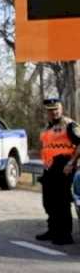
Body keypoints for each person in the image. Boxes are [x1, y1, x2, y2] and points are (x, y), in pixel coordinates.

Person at [37, 98, 80, 245]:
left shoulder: (69, 125)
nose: (54, 112)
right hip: (50, 168)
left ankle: (65, 235)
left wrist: (71, 163)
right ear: (47, 112)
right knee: (49, 202)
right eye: (51, 110)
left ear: (61, 109)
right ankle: (53, 230)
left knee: (62, 202)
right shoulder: (46, 128)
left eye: (56, 109)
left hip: (64, 166)